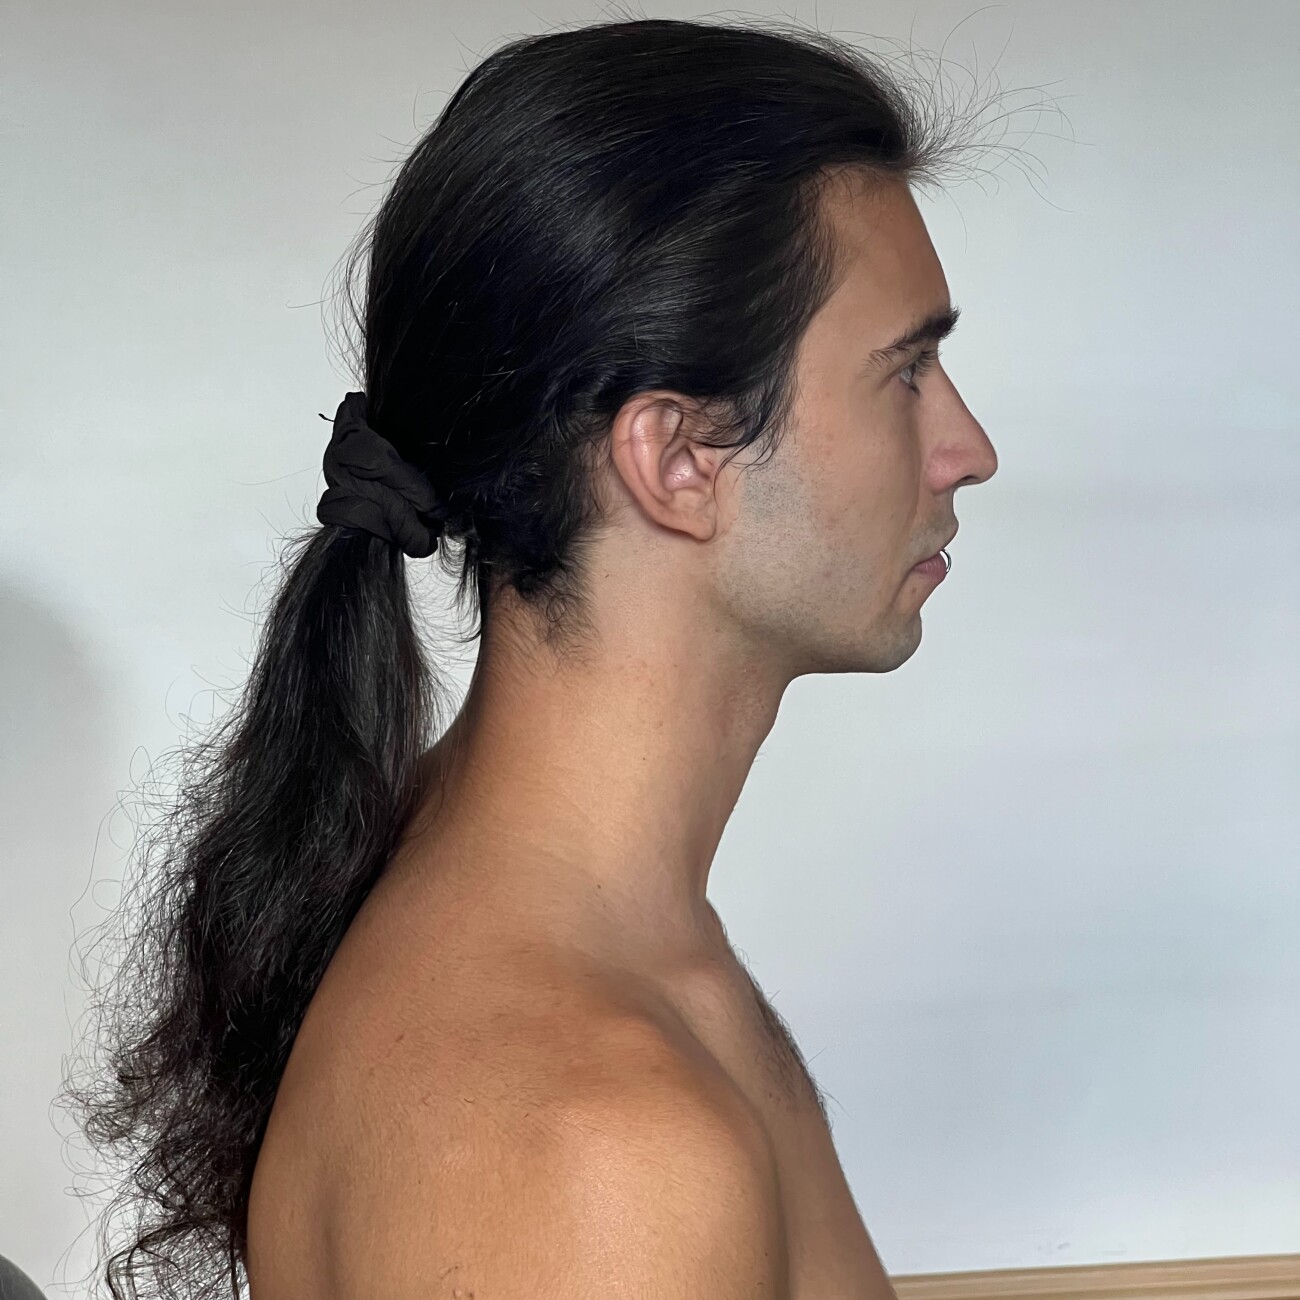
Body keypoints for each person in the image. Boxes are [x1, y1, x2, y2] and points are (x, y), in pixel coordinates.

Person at [67, 15, 1000, 1299]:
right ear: (676, 459)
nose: (967, 448)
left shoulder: (577, 916)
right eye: (906, 371)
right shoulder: (589, 1157)